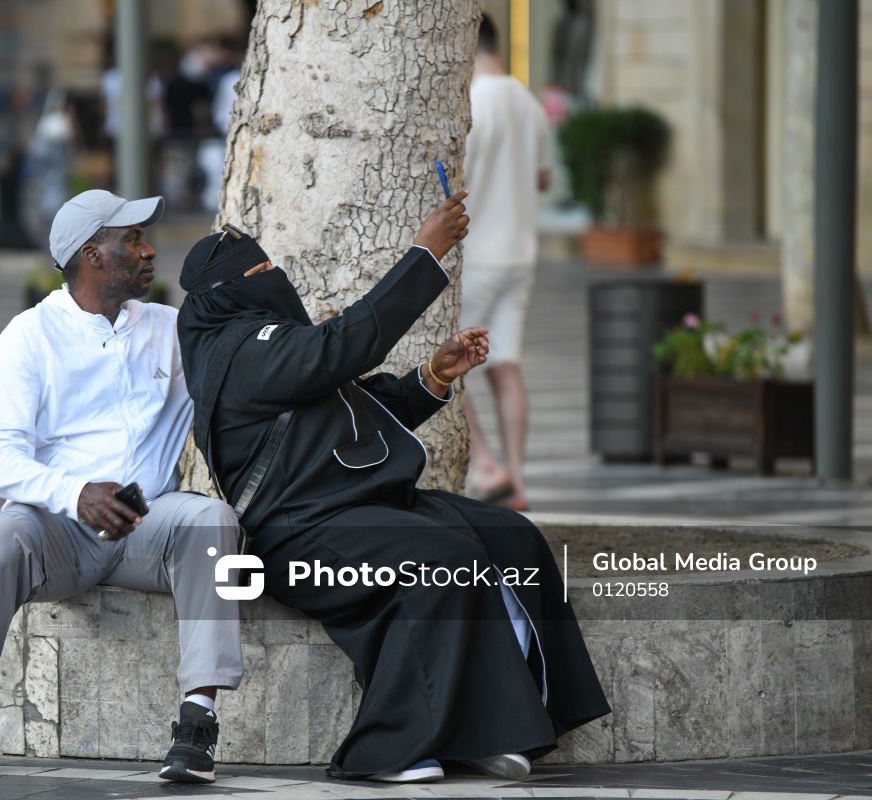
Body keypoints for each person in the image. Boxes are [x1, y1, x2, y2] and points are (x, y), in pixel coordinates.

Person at [176, 192, 609, 784]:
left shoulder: (275, 348)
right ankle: (387, 750)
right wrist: (425, 252)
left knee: (513, 538)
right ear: (227, 293)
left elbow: (359, 419)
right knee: (441, 560)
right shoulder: (240, 355)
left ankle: (488, 731)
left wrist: (433, 376)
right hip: (300, 536)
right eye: (260, 272)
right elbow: (345, 344)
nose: (274, 276)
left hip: (360, 510)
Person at [0, 190, 245, 785]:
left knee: (212, 522)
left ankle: (198, 720)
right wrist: (74, 493)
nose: (149, 251)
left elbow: (249, 373)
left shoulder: (172, 330)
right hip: (59, 531)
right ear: (92, 255)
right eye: (133, 240)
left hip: (148, 526)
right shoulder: (28, 336)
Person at [460, 13, 553, 512]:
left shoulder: (474, 101)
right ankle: (516, 480)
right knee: (506, 366)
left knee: (443, 359)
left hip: (478, 254)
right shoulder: (527, 100)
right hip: (520, 253)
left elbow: (457, 181)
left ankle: (486, 464)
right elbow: (543, 179)